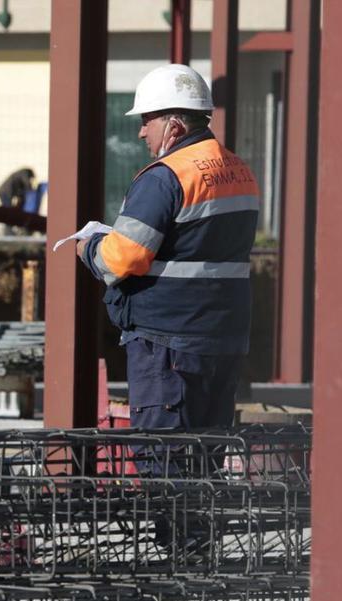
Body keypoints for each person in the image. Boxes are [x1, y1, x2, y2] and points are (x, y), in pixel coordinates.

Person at [74, 64, 258, 548]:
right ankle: (203, 561)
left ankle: (181, 565)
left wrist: (89, 246)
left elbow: (123, 257)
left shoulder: (165, 177)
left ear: (174, 125)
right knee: (205, 456)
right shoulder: (238, 169)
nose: (140, 130)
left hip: (166, 344)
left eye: (148, 119)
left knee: (164, 459)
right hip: (221, 339)